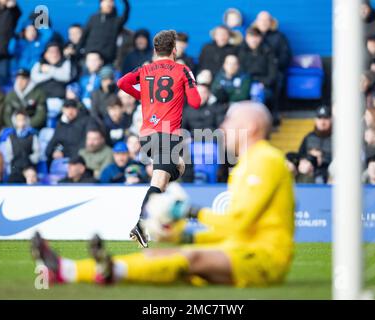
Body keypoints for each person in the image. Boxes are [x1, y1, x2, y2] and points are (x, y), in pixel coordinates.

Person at [31, 101, 295, 288]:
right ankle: (69, 270)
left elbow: (239, 223)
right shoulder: (247, 163)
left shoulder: (265, 160)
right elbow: (238, 230)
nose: (223, 127)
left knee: (187, 259)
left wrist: (191, 212)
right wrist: (185, 235)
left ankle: (96, 271)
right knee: (163, 256)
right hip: (242, 250)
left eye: (229, 121)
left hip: (264, 258)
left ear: (249, 127)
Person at [117, 30, 201, 247]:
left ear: (155, 50)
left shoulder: (145, 69)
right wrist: (188, 84)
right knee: (160, 181)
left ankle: (153, 217)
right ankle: (142, 225)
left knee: (177, 169)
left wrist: (143, 98)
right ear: (174, 49)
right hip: (167, 135)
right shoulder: (182, 69)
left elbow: (122, 83)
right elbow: (196, 102)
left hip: (146, 136)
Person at [238, 27, 277, 117]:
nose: (253, 40)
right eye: (250, 37)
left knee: (257, 92)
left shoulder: (268, 51)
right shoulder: (240, 51)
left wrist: (264, 83)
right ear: (246, 38)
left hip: (263, 84)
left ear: (260, 38)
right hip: (246, 83)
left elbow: (273, 73)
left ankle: (258, 118)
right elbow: (239, 71)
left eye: (256, 37)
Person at [31, 42, 73, 123]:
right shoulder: (39, 64)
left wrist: (50, 70)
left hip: (61, 102)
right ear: (45, 54)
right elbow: (34, 78)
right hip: (42, 103)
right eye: (51, 52)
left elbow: (66, 76)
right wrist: (54, 74)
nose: (54, 54)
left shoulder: (65, 62)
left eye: (56, 51)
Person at [79, 0, 130, 65]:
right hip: (89, 58)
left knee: (107, 73)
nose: (108, 4)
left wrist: (125, 2)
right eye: (106, 1)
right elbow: (84, 36)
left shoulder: (117, 20)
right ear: (101, 4)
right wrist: (78, 53)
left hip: (106, 61)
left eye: (111, 2)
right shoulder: (93, 18)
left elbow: (126, 13)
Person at [45, 99, 92, 164]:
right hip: (63, 160)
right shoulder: (60, 125)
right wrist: (53, 152)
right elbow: (51, 144)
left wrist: (64, 153)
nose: (70, 111)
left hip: (79, 161)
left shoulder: (86, 122)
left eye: (73, 108)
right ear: (63, 110)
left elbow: (83, 146)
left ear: (77, 110)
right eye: (67, 108)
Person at [298, 105, 332, 183]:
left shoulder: (337, 138)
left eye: (326, 118)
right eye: (320, 118)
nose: (322, 122)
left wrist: (322, 157)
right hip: (310, 172)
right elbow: (300, 155)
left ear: (331, 120)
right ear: (315, 120)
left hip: (330, 173)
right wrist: (310, 157)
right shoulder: (308, 137)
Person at [3, 110, 39, 179]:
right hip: (15, 168)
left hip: (29, 167)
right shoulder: (10, 137)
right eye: (18, 119)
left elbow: (36, 154)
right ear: (14, 121)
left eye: (23, 119)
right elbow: (8, 155)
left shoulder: (33, 136)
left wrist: (29, 159)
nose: (21, 122)